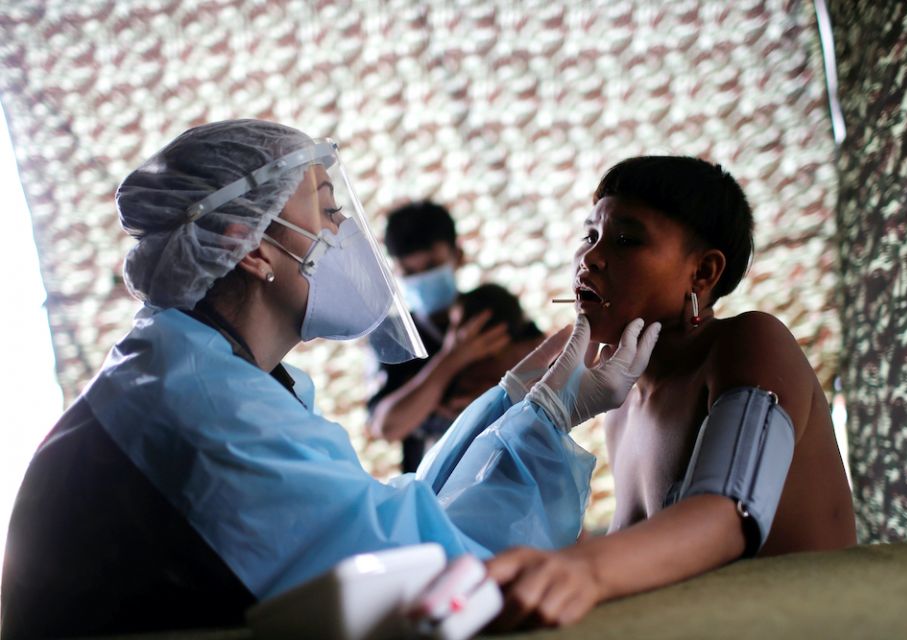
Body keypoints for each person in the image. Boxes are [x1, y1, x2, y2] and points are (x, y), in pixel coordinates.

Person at [0, 119, 659, 638]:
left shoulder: (206, 369)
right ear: (252, 245)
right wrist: (544, 421)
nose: (343, 227)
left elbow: (391, 514)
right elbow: (435, 576)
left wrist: (524, 402)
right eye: (323, 205)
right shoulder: (206, 410)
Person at [484, 156, 857, 630]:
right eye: (589, 237)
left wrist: (585, 568)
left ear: (702, 273)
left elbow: (725, 516)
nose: (591, 259)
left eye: (625, 240)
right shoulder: (620, 404)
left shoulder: (751, 343)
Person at [368, 202, 510, 472]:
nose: (421, 279)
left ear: (458, 255)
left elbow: (548, 371)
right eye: (409, 272)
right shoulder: (393, 337)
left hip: (501, 475)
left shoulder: (490, 309)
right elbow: (386, 426)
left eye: (432, 266)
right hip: (430, 492)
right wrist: (453, 358)